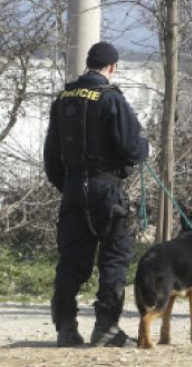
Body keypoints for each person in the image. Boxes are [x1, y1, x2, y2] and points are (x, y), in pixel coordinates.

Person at [43, 41, 149, 347]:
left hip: (74, 188)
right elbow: (131, 147)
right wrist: (145, 149)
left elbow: (51, 156)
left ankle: (65, 327)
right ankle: (105, 327)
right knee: (115, 256)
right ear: (112, 67)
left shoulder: (63, 98)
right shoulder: (110, 98)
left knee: (71, 260)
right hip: (107, 190)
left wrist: (69, 186)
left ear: (89, 63)